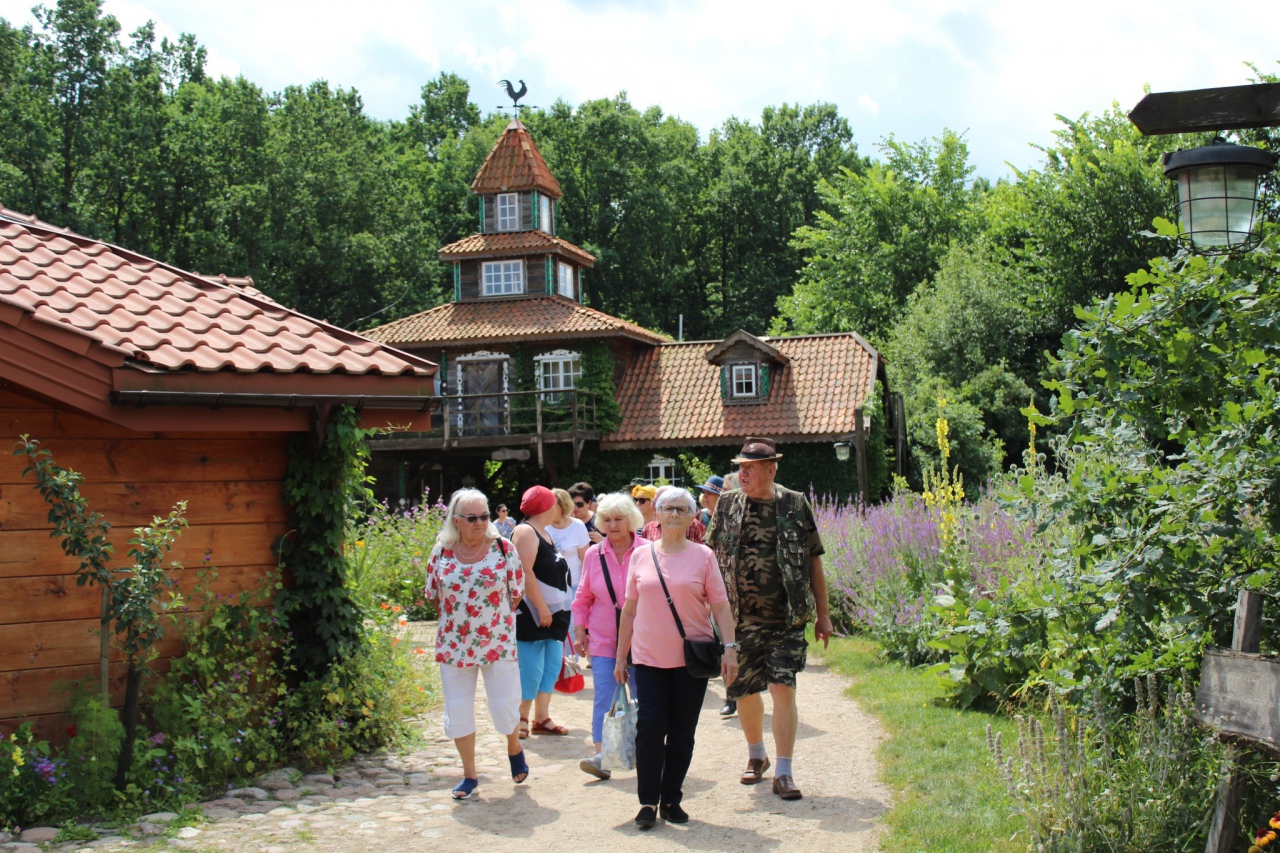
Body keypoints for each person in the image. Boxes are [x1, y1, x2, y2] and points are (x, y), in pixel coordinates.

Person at [706, 438, 833, 801]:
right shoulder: (728, 504)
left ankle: (784, 770)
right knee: (744, 690)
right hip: (739, 620)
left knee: (782, 687)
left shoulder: (794, 504)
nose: (741, 473)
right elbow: (710, 559)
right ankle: (756, 755)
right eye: (740, 467)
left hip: (785, 620)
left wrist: (823, 616)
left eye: (749, 468)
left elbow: (814, 561)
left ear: (771, 469)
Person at [615, 488, 738, 829]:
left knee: (683, 733)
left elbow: (720, 605)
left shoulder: (703, 556)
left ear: (692, 516)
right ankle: (646, 801)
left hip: (691, 661)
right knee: (649, 730)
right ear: (656, 513)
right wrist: (620, 657)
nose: (674, 515)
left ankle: (671, 797)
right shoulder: (640, 557)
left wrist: (730, 648)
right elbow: (629, 609)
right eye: (667, 508)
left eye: (682, 509)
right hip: (649, 659)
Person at [424, 488, 528, 800]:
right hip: (454, 644)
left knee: (505, 703)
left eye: (484, 516)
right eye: (472, 518)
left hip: (496, 640)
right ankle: (469, 773)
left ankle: (514, 747)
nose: (481, 522)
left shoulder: (503, 548)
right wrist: (458, 621)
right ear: (456, 520)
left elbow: (517, 589)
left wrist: (492, 620)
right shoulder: (442, 551)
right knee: (457, 710)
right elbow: (432, 594)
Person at [572, 492, 645, 780]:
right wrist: (580, 630)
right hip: (603, 637)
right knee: (604, 696)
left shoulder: (647, 550)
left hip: (642, 637)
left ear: (631, 521)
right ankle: (603, 755)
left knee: (644, 696)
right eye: (607, 520)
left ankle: (646, 751)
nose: (613, 525)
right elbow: (583, 595)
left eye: (619, 519)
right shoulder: (593, 553)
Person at [511, 485, 574, 738]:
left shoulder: (544, 532)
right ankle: (521, 717)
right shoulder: (526, 531)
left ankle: (542, 717)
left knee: (550, 665)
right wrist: (541, 607)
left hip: (554, 612)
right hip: (534, 612)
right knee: (531, 667)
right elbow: (525, 572)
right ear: (548, 507)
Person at [549, 488, 591, 658]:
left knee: (572, 629)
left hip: (573, 586)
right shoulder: (542, 526)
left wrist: (586, 589)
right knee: (553, 632)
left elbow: (586, 560)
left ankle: (569, 670)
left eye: (552, 505)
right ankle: (557, 669)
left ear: (563, 506)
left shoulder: (577, 526)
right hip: (550, 587)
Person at [715, 472, 740, 718]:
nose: (721, 491)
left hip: (746, 596)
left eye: (725, 488)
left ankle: (745, 692)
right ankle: (730, 696)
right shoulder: (719, 516)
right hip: (721, 594)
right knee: (726, 644)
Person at [641, 486, 706, 543]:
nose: (674, 514)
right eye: (669, 508)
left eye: (681, 509)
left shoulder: (694, 525)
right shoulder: (648, 528)